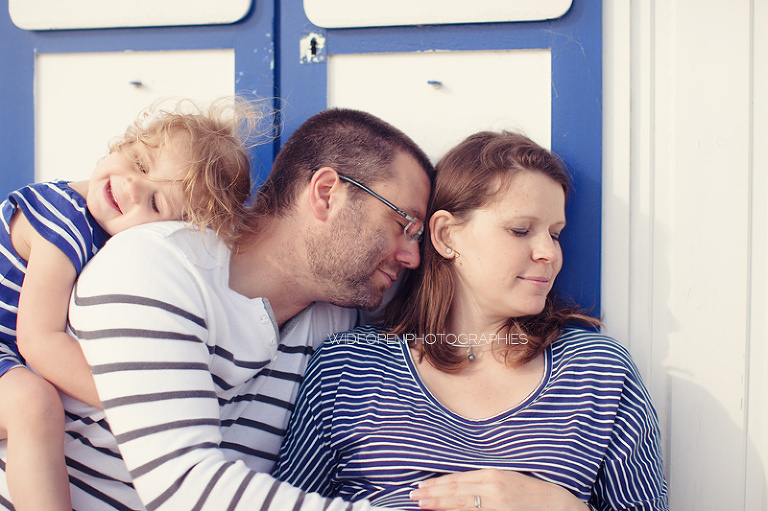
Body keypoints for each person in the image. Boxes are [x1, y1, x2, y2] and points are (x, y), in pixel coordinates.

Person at [0, 108, 434, 510]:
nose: (412, 256)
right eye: (404, 225)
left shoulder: (332, 315)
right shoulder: (156, 262)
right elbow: (185, 489)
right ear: (326, 195)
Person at [274, 131, 670, 511]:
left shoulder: (597, 372)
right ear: (446, 236)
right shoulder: (347, 368)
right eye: (521, 230)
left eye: (556, 234)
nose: (549, 252)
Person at [0, 98, 255, 511]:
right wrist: (144, 400)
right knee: (31, 403)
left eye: (156, 204)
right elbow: (39, 340)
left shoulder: (110, 239)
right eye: (139, 162)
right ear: (123, 143)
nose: (133, 187)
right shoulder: (61, 219)